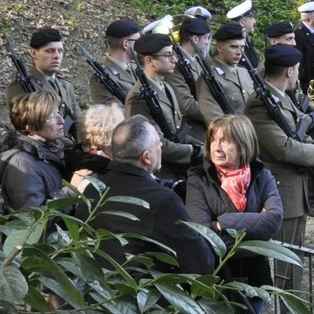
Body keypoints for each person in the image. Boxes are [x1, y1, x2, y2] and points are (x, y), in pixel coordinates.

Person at [243, 44, 314, 310]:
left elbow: (299, 127)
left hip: (294, 185)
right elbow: (283, 148)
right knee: (286, 256)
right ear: (290, 71)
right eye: (298, 69)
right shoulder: (261, 103)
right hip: (281, 187)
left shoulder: (280, 96)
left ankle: (292, 310)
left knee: (295, 250)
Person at [78, 116, 216, 275]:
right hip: (145, 294)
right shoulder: (162, 200)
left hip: (98, 293)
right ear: (147, 157)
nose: (161, 148)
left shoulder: (91, 189)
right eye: (159, 144)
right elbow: (199, 264)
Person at [185, 114, 285, 314]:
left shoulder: (262, 175)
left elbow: (274, 219)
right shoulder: (199, 178)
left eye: (226, 141)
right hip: (218, 277)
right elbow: (201, 233)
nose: (217, 147)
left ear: (243, 144)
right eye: (214, 140)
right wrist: (255, 228)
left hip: (256, 277)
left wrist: (221, 223)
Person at [0, 90, 86, 210]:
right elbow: (33, 218)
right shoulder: (21, 164)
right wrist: (72, 190)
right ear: (31, 127)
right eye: (52, 117)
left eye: (58, 112)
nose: (61, 121)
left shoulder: (54, 148)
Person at [123, 33, 201, 182]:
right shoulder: (139, 97)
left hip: (178, 167)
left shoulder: (166, 87)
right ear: (149, 60)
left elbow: (179, 131)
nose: (175, 60)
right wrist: (194, 151)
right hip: (161, 173)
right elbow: (153, 144)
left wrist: (201, 145)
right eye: (168, 55)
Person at [6, 27, 81, 136]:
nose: (56, 56)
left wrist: (84, 144)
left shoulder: (66, 86)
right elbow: (25, 128)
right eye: (50, 51)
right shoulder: (21, 86)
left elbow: (78, 120)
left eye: (60, 51)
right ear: (34, 53)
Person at [87, 20, 141, 106]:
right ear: (125, 44)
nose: (141, 45)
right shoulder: (102, 78)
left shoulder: (135, 68)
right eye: (138, 41)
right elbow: (114, 114)